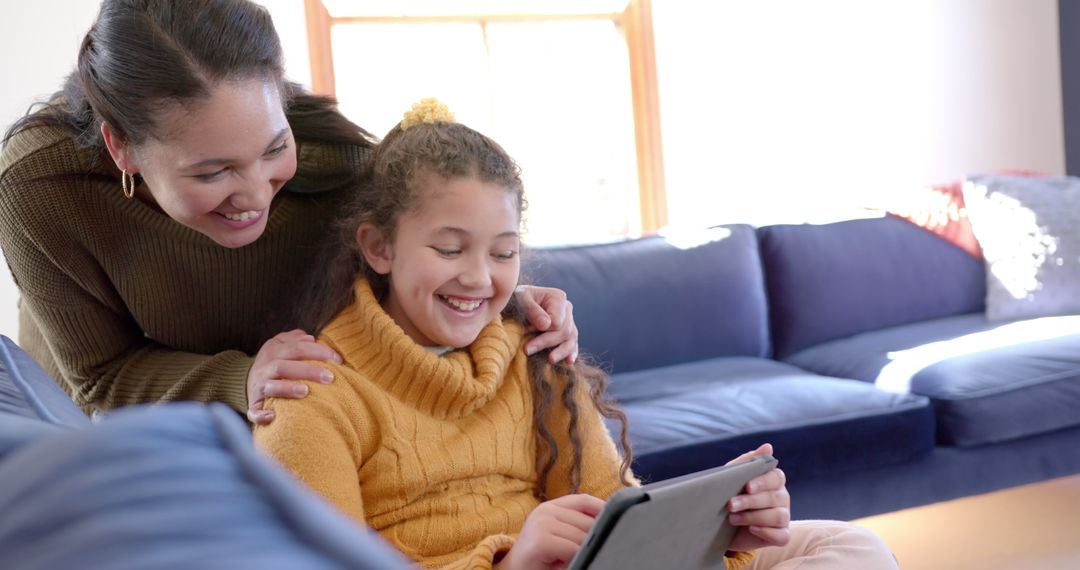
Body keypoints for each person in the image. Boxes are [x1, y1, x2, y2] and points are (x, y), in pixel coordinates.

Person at [254, 99, 898, 569]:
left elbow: (614, 511)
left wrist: (716, 530)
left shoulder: (533, 350)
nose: (479, 278)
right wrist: (510, 561)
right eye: (449, 249)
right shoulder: (311, 391)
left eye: (503, 253)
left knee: (850, 548)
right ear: (379, 247)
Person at [0, 0, 578, 425]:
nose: (255, 195)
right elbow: (101, 376)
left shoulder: (339, 165)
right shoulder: (41, 186)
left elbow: (412, 264)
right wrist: (241, 376)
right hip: (111, 426)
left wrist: (499, 299)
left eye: (275, 149)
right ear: (121, 146)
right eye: (212, 172)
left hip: (287, 408)